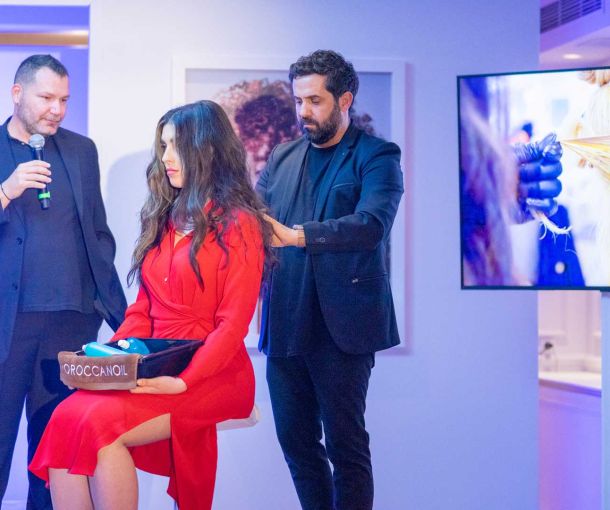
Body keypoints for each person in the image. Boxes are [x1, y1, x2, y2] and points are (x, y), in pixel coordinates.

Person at [29, 100, 272, 510]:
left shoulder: (240, 223)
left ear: (207, 149)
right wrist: (107, 361)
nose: (166, 157)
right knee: (65, 418)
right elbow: (142, 309)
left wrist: (185, 381)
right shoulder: (165, 216)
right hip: (154, 361)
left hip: (210, 373)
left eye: (176, 146)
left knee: (100, 430)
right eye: (163, 146)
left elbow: (233, 325)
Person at [256, 50, 404, 510]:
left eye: (315, 101)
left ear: (344, 99)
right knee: (296, 446)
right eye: (298, 101)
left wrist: (298, 236)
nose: (304, 111)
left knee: (346, 447)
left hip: (342, 329)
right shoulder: (281, 157)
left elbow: (371, 224)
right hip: (285, 320)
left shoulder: (377, 156)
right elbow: (252, 218)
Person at [0, 54, 126, 510]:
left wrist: (108, 310)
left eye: (64, 100)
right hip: (7, 327)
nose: (57, 109)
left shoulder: (81, 150)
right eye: (47, 98)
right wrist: (6, 190)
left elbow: (97, 232)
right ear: (17, 93)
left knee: (54, 460)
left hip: (69, 328)